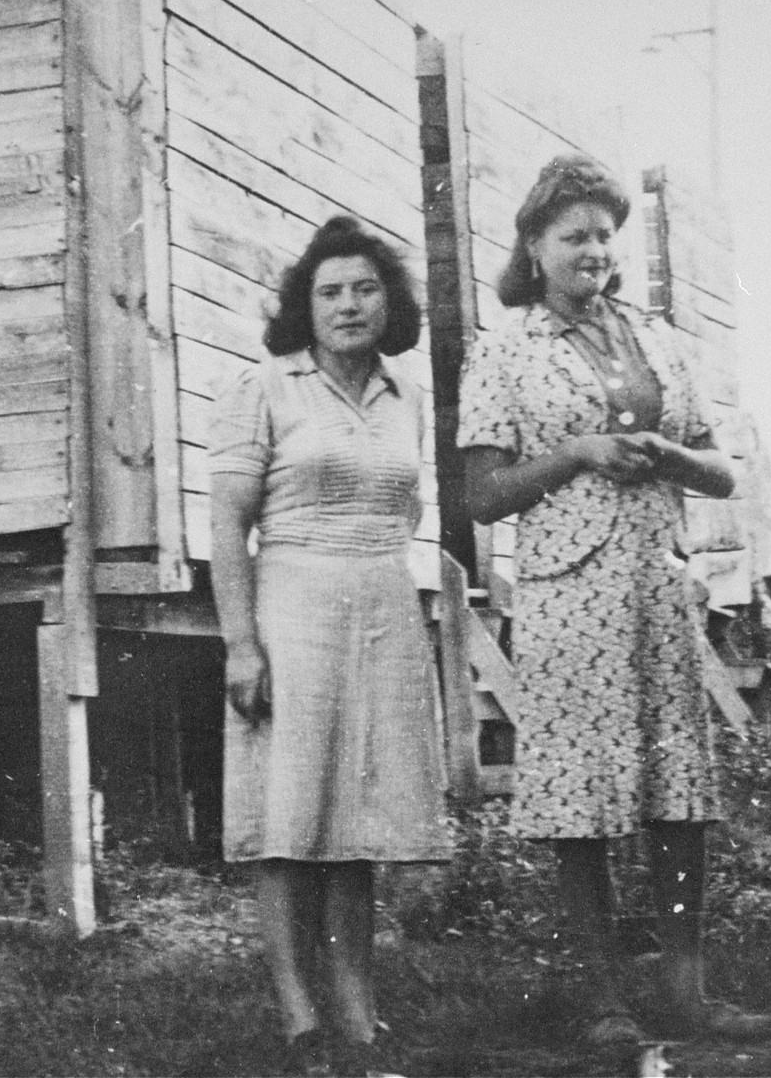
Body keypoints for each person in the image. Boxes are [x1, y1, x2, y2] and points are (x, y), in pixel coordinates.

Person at [456, 154, 771, 1046]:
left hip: (656, 584)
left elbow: (720, 469)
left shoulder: (660, 338)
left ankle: (686, 990)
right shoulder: (501, 351)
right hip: (569, 595)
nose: (593, 250)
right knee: (583, 800)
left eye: (604, 234)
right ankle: (604, 1000)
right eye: (574, 237)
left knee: (678, 794)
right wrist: (580, 453)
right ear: (534, 245)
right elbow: (481, 494)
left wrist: (669, 457)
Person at [209, 216, 452, 1077]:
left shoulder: (407, 398)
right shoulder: (265, 388)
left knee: (359, 815)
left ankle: (357, 1005)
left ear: (391, 303)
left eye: (365, 289)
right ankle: (298, 1015)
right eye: (330, 292)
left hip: (383, 605)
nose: (349, 305)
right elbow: (229, 525)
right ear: (302, 308)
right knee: (290, 812)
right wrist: (242, 643)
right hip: (293, 606)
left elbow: (407, 512)